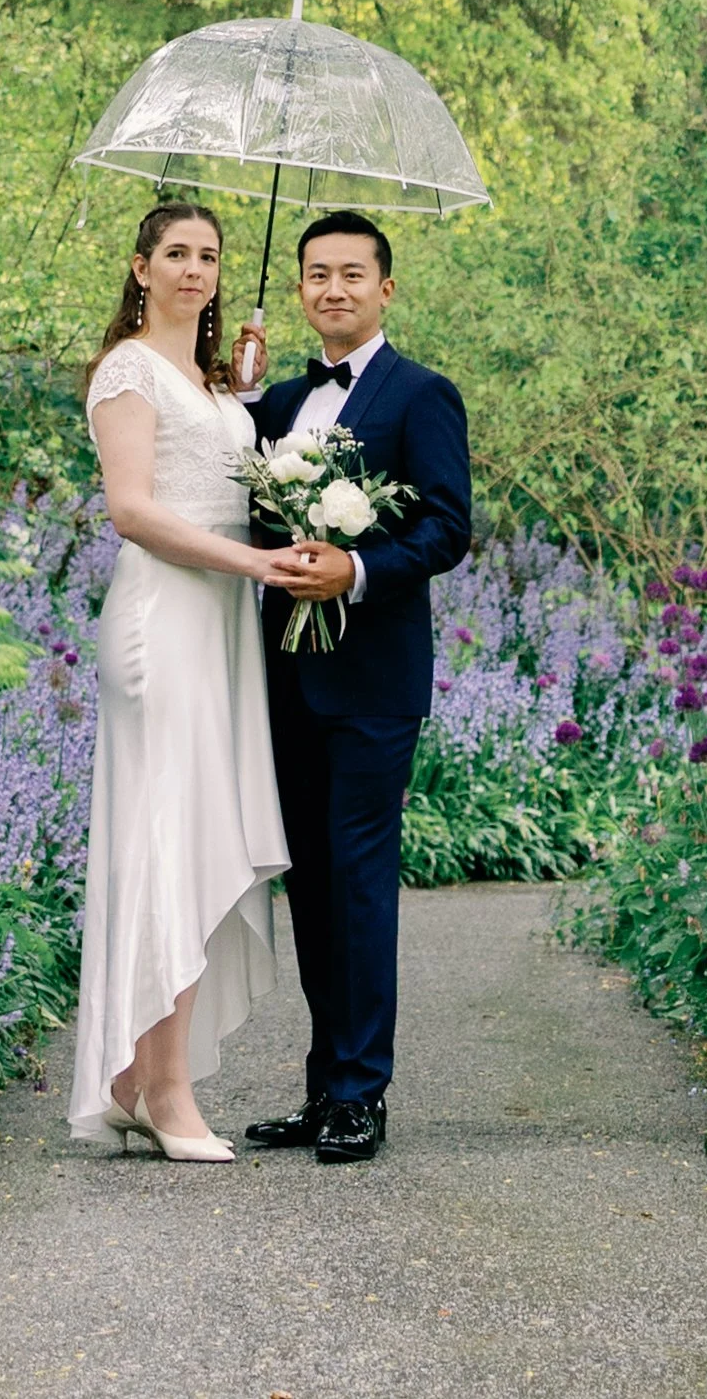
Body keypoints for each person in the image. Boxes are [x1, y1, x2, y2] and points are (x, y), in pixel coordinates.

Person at [67, 201, 319, 1162]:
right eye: (175, 254)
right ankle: (165, 1090)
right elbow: (132, 510)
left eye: (208, 256)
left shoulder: (210, 382)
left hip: (217, 626)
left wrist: (240, 398)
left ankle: (138, 1076)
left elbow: (219, 474)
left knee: (195, 829)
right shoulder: (128, 370)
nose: (194, 270)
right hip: (163, 619)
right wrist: (253, 565)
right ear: (139, 268)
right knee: (166, 836)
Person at [243, 208, 473, 1164]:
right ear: (299, 290)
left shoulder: (422, 394)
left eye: (351, 274)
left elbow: (448, 528)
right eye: (316, 275)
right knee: (311, 887)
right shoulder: (278, 405)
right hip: (285, 675)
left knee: (361, 881)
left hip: (373, 680)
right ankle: (322, 1085)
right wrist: (238, 392)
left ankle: (362, 1095)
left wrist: (358, 568)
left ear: (386, 288)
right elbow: (241, 508)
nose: (332, 289)